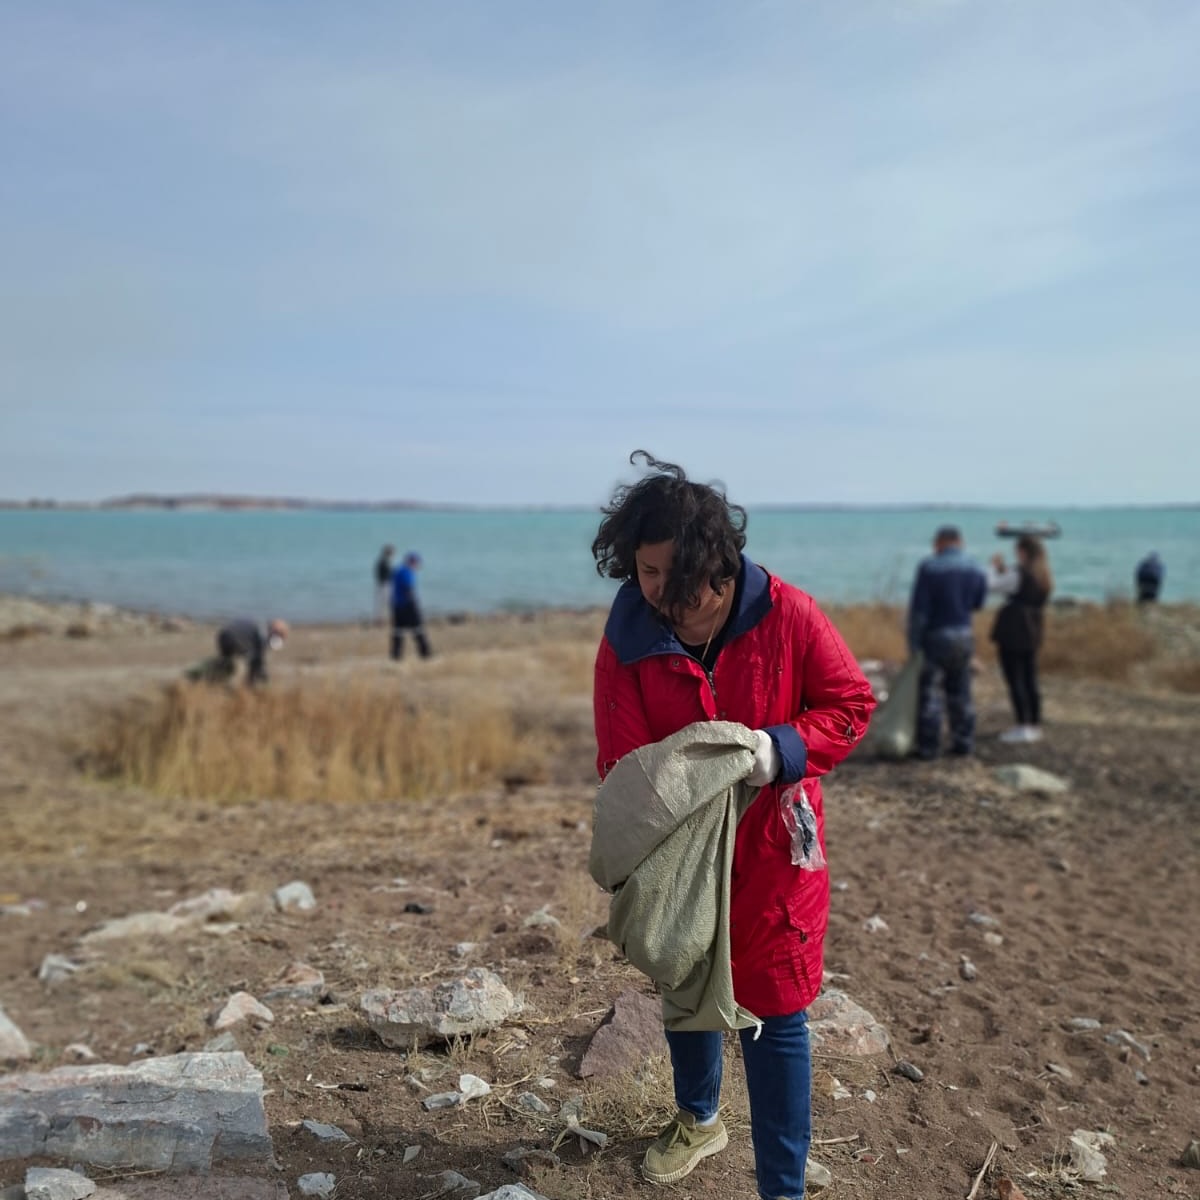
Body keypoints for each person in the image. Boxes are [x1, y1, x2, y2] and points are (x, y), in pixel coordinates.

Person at [590, 451, 876, 1200]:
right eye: (644, 571)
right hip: (678, 850)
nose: (657, 590)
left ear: (715, 563)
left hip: (778, 845)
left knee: (775, 1014)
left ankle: (782, 1189)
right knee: (685, 979)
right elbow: (622, 763)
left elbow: (850, 706)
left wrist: (777, 750)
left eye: (672, 574)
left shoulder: (789, 614)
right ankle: (699, 1118)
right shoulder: (628, 636)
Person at [907, 525, 988, 759]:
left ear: (940, 542)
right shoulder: (975, 566)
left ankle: (929, 747)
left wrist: (914, 644)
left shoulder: (929, 567)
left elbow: (919, 612)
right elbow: (979, 603)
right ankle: (963, 742)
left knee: (931, 693)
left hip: (936, 636)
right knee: (961, 690)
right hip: (963, 634)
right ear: (960, 542)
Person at [988, 534, 1053, 743]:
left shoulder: (1019, 573)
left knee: (1015, 677)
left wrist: (992, 568)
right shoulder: (1043, 575)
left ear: (1023, 551)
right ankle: (1034, 722)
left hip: (1014, 628)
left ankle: (1022, 725)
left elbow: (993, 585)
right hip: (1033, 628)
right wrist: (1003, 570)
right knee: (1030, 677)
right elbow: (1016, 586)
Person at [213, 617, 288, 686]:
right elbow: (258, 657)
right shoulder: (263, 633)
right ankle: (248, 685)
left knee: (226, 662)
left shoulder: (261, 626)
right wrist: (262, 673)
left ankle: (217, 678)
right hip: (231, 637)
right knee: (254, 662)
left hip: (224, 635)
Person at [390, 551, 431, 660]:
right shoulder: (407, 572)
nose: (417, 567)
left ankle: (395, 656)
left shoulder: (398, 570)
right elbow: (408, 588)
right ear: (412, 562)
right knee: (418, 629)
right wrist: (414, 603)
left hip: (397, 605)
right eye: (417, 564)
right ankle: (426, 654)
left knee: (398, 631)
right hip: (407, 605)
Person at [374, 545, 395, 624]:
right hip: (384, 584)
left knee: (383, 602)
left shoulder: (385, 561)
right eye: (392, 553)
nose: (393, 555)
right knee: (383, 602)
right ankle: (380, 619)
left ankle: (382, 619)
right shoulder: (384, 562)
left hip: (383, 584)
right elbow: (387, 574)